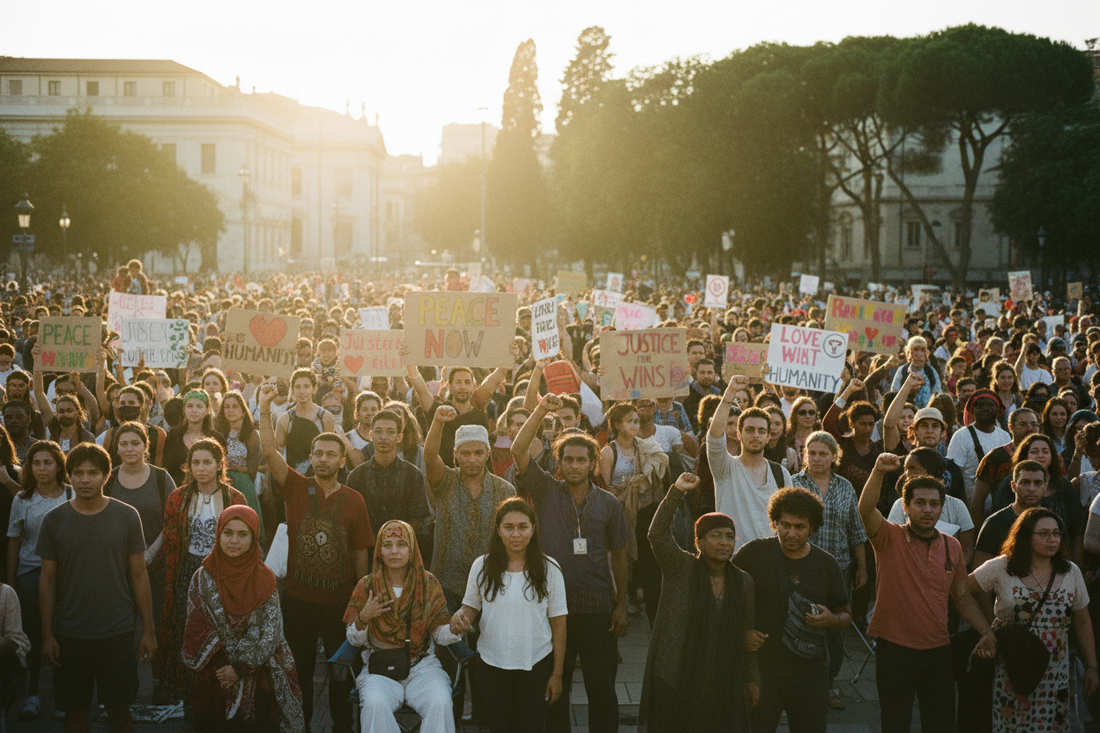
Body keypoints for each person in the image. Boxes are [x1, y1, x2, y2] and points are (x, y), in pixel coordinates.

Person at [511, 393, 629, 733]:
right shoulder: (546, 491)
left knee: (602, 689)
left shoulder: (609, 504)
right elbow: (519, 451)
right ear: (558, 464)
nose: (575, 465)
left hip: (597, 608)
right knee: (554, 689)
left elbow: (619, 554)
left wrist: (621, 604)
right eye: (568, 459)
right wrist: (541, 410)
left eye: (582, 459)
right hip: (551, 609)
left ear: (593, 463)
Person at [259, 384, 373, 733]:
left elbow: (360, 553)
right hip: (298, 601)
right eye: (317, 453)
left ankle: (341, 727)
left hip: (339, 604)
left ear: (342, 460)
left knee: (341, 674)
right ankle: (300, 726)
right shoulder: (295, 486)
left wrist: (358, 600)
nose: (323, 459)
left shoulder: (354, 499)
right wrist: (265, 408)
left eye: (330, 454)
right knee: (301, 671)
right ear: (311, 457)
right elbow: (268, 450)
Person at [858, 453, 996, 733]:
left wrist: (986, 631)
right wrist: (878, 471)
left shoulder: (951, 547)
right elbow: (865, 510)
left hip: (937, 652)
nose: (928, 509)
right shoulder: (888, 537)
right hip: (894, 650)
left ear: (942, 508)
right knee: (895, 724)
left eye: (934, 504)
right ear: (906, 507)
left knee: (941, 723)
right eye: (920, 503)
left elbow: (961, 596)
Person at [37, 443, 156, 733]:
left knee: (119, 710)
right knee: (74, 713)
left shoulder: (127, 516)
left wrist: (149, 631)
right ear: (69, 476)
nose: (85, 479)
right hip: (70, 634)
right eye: (78, 473)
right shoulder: (54, 520)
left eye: (92, 473)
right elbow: (47, 580)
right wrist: (47, 634)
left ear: (106, 476)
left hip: (116, 632)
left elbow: (139, 576)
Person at [639, 471, 758, 733]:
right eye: (716, 536)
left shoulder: (743, 582)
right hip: (676, 675)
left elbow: (747, 634)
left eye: (729, 536)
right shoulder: (681, 567)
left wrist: (752, 680)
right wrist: (677, 491)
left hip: (722, 682)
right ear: (699, 542)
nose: (724, 542)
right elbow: (657, 534)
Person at [969, 507, 1099, 731]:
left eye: (1056, 533)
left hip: (1055, 671)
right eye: (1044, 533)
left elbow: (1082, 620)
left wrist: (1092, 666)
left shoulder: (1071, 572)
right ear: (1025, 536)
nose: (1052, 539)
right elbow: (962, 590)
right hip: (1013, 666)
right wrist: (985, 630)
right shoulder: (1002, 567)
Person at [734, 487, 851, 733]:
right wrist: (741, 634)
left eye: (800, 527)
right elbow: (725, 602)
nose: (791, 533)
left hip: (811, 674)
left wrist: (832, 619)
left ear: (813, 528)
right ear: (774, 522)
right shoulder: (752, 554)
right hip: (764, 672)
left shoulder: (827, 564)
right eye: (785, 525)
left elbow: (846, 616)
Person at [181, 505, 304, 732]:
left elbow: (271, 631)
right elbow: (197, 625)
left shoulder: (265, 579)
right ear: (218, 534)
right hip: (215, 669)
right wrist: (223, 667)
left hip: (258, 667)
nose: (233, 540)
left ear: (254, 537)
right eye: (227, 533)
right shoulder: (203, 577)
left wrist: (239, 668)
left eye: (242, 534)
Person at [450, 498, 567, 733]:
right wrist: (460, 617)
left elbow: (559, 625)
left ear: (533, 530)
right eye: (508, 527)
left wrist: (557, 674)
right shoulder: (481, 566)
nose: (516, 534)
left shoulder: (550, 569)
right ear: (498, 530)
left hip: (536, 665)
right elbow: (470, 607)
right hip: (492, 666)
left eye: (523, 527)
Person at [157, 439, 248, 714]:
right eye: (195, 462)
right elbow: (172, 541)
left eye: (207, 462)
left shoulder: (234, 498)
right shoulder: (178, 497)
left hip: (224, 573)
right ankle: (190, 704)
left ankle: (224, 701)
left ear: (220, 464)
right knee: (191, 636)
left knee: (223, 635)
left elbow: (244, 540)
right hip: (188, 573)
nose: (201, 468)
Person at [343, 520, 459, 733]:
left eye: (401, 544)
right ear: (379, 551)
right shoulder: (367, 586)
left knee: (440, 702)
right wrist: (364, 618)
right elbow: (353, 639)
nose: (394, 551)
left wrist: (455, 629)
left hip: (423, 668)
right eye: (387, 545)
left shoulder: (428, 583)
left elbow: (439, 633)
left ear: (412, 549)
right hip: (379, 669)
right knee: (374, 705)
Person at [789, 431, 867, 709]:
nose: (817, 458)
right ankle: (797, 685)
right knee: (799, 624)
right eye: (812, 452)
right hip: (800, 567)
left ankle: (829, 684)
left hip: (838, 569)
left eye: (823, 453)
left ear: (835, 456)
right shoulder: (794, 483)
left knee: (834, 627)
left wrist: (862, 568)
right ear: (804, 454)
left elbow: (856, 530)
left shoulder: (845, 486)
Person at [6, 441, 68, 720]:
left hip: (66, 573)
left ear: (58, 465)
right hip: (30, 572)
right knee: (32, 633)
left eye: (48, 463)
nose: (42, 469)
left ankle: (63, 697)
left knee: (64, 631)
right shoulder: (23, 499)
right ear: (29, 467)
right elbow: (14, 541)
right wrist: (12, 584)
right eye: (36, 463)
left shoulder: (70, 494)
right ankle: (32, 694)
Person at [708, 377, 792, 549]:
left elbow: (788, 519)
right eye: (749, 430)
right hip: (733, 560)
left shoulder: (781, 474)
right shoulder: (725, 467)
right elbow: (714, 436)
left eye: (761, 431)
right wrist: (730, 392)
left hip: (771, 560)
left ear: (769, 436)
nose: (756, 435)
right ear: (739, 434)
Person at [345, 409, 431, 538]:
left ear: (399, 437)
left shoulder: (412, 474)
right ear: (371, 435)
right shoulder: (356, 476)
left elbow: (417, 521)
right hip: (367, 547)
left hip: (402, 548)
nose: (383, 437)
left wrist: (393, 540)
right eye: (378, 431)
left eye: (390, 432)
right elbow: (352, 521)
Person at [214, 391, 264, 539]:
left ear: (243, 411)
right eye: (227, 407)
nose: (230, 410)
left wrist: (234, 468)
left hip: (243, 482)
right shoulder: (219, 432)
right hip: (221, 481)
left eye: (235, 406)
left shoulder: (251, 434)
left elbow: (252, 468)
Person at [275, 369, 337, 474]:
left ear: (314, 389)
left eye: (306, 386)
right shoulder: (285, 419)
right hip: (293, 476)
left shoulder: (325, 417)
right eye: (298, 387)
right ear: (293, 390)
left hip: (319, 475)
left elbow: (330, 450)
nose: (302, 391)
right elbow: (279, 452)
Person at [162, 390, 226, 486]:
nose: (194, 410)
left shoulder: (217, 438)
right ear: (184, 409)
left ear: (208, 410)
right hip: (177, 492)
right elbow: (166, 468)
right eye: (190, 406)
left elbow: (221, 472)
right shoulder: (173, 436)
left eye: (199, 406)